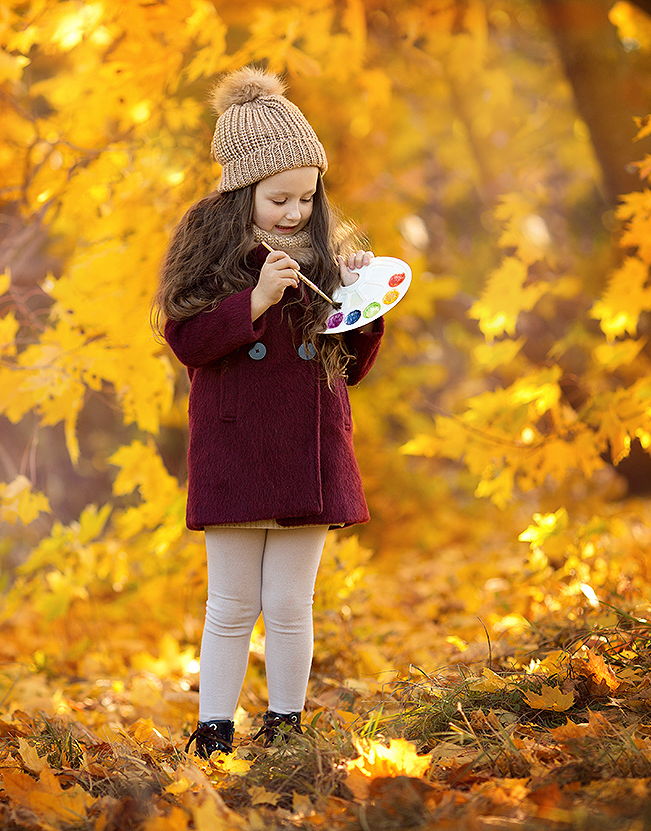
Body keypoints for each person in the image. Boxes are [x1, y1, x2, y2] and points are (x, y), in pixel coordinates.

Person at [153, 66, 385, 758]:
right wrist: (252, 301)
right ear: (240, 190)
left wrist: (360, 301)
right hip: (232, 450)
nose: (292, 211)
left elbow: (355, 368)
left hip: (309, 451)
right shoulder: (209, 247)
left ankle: (286, 724)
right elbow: (186, 337)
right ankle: (214, 728)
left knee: (289, 603)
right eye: (277, 197)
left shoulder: (325, 258)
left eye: (304, 197)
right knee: (229, 605)